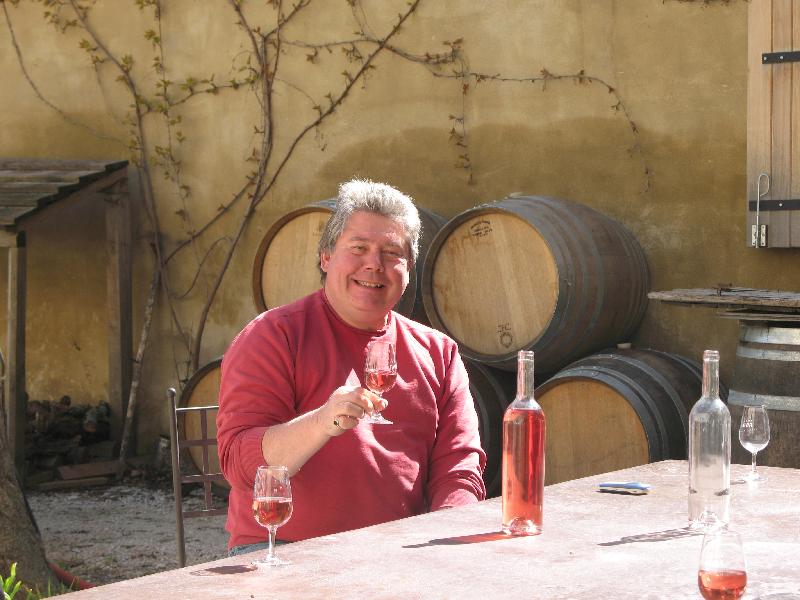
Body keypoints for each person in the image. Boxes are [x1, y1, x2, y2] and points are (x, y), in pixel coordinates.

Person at [216, 178, 486, 555]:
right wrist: (321, 423)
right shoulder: (274, 336)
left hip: (400, 556)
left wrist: (446, 542)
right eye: (358, 248)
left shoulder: (438, 351)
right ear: (326, 257)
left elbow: (458, 464)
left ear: (408, 268)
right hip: (284, 552)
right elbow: (241, 466)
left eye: (392, 252)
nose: (374, 264)